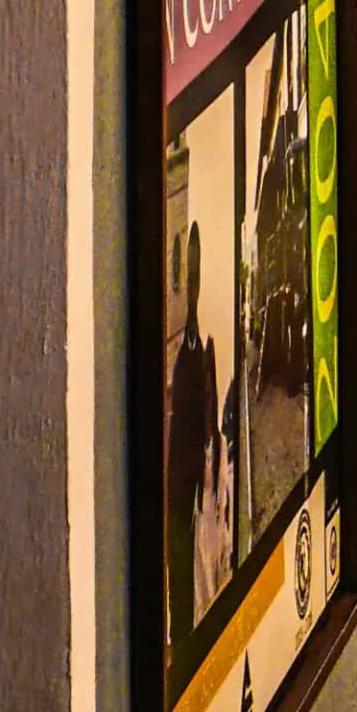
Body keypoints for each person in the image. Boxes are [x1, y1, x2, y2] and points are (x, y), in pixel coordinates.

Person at [164, 220, 221, 660]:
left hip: (191, 473)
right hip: (177, 476)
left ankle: (186, 632)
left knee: (189, 551)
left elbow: (205, 416)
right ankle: (179, 630)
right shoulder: (186, 354)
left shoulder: (201, 351)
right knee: (178, 552)